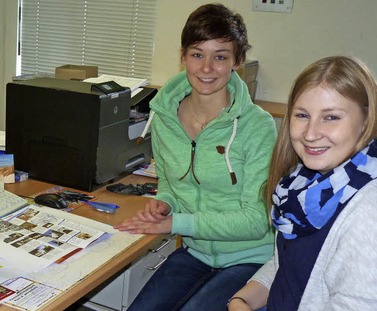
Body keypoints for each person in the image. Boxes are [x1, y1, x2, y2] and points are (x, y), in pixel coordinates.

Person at [114, 3, 276, 310]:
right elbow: (171, 185)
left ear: (237, 61)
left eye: (220, 57)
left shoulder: (258, 126)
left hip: (251, 258)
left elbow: (257, 221)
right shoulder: (164, 116)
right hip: (197, 252)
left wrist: (175, 223)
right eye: (197, 54)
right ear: (183, 56)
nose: (206, 68)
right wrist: (164, 204)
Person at [227, 56, 377, 311]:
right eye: (302, 115)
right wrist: (242, 300)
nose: (310, 134)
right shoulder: (308, 179)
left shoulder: (371, 211)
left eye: (331, 117)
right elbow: (290, 262)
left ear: (367, 120)